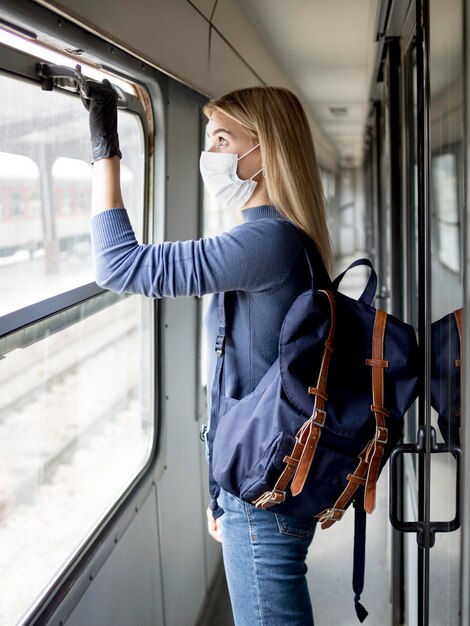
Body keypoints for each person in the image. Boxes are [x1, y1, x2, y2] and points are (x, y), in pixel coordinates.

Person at [83, 81, 333, 626]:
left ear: (265, 151)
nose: (209, 155)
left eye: (223, 139)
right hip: (263, 485)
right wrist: (221, 495)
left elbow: (118, 266)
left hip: (262, 496)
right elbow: (243, 377)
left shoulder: (267, 242)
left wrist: (105, 145)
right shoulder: (285, 238)